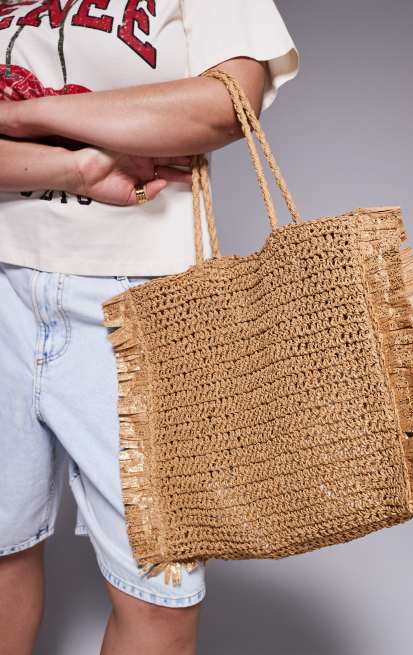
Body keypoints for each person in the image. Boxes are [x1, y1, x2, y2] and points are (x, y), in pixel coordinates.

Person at [0, 1, 299, 653]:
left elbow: (222, 107)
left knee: (159, 594)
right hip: (1, 285)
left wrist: (23, 115)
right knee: (1, 557)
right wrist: (75, 168)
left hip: (142, 299)